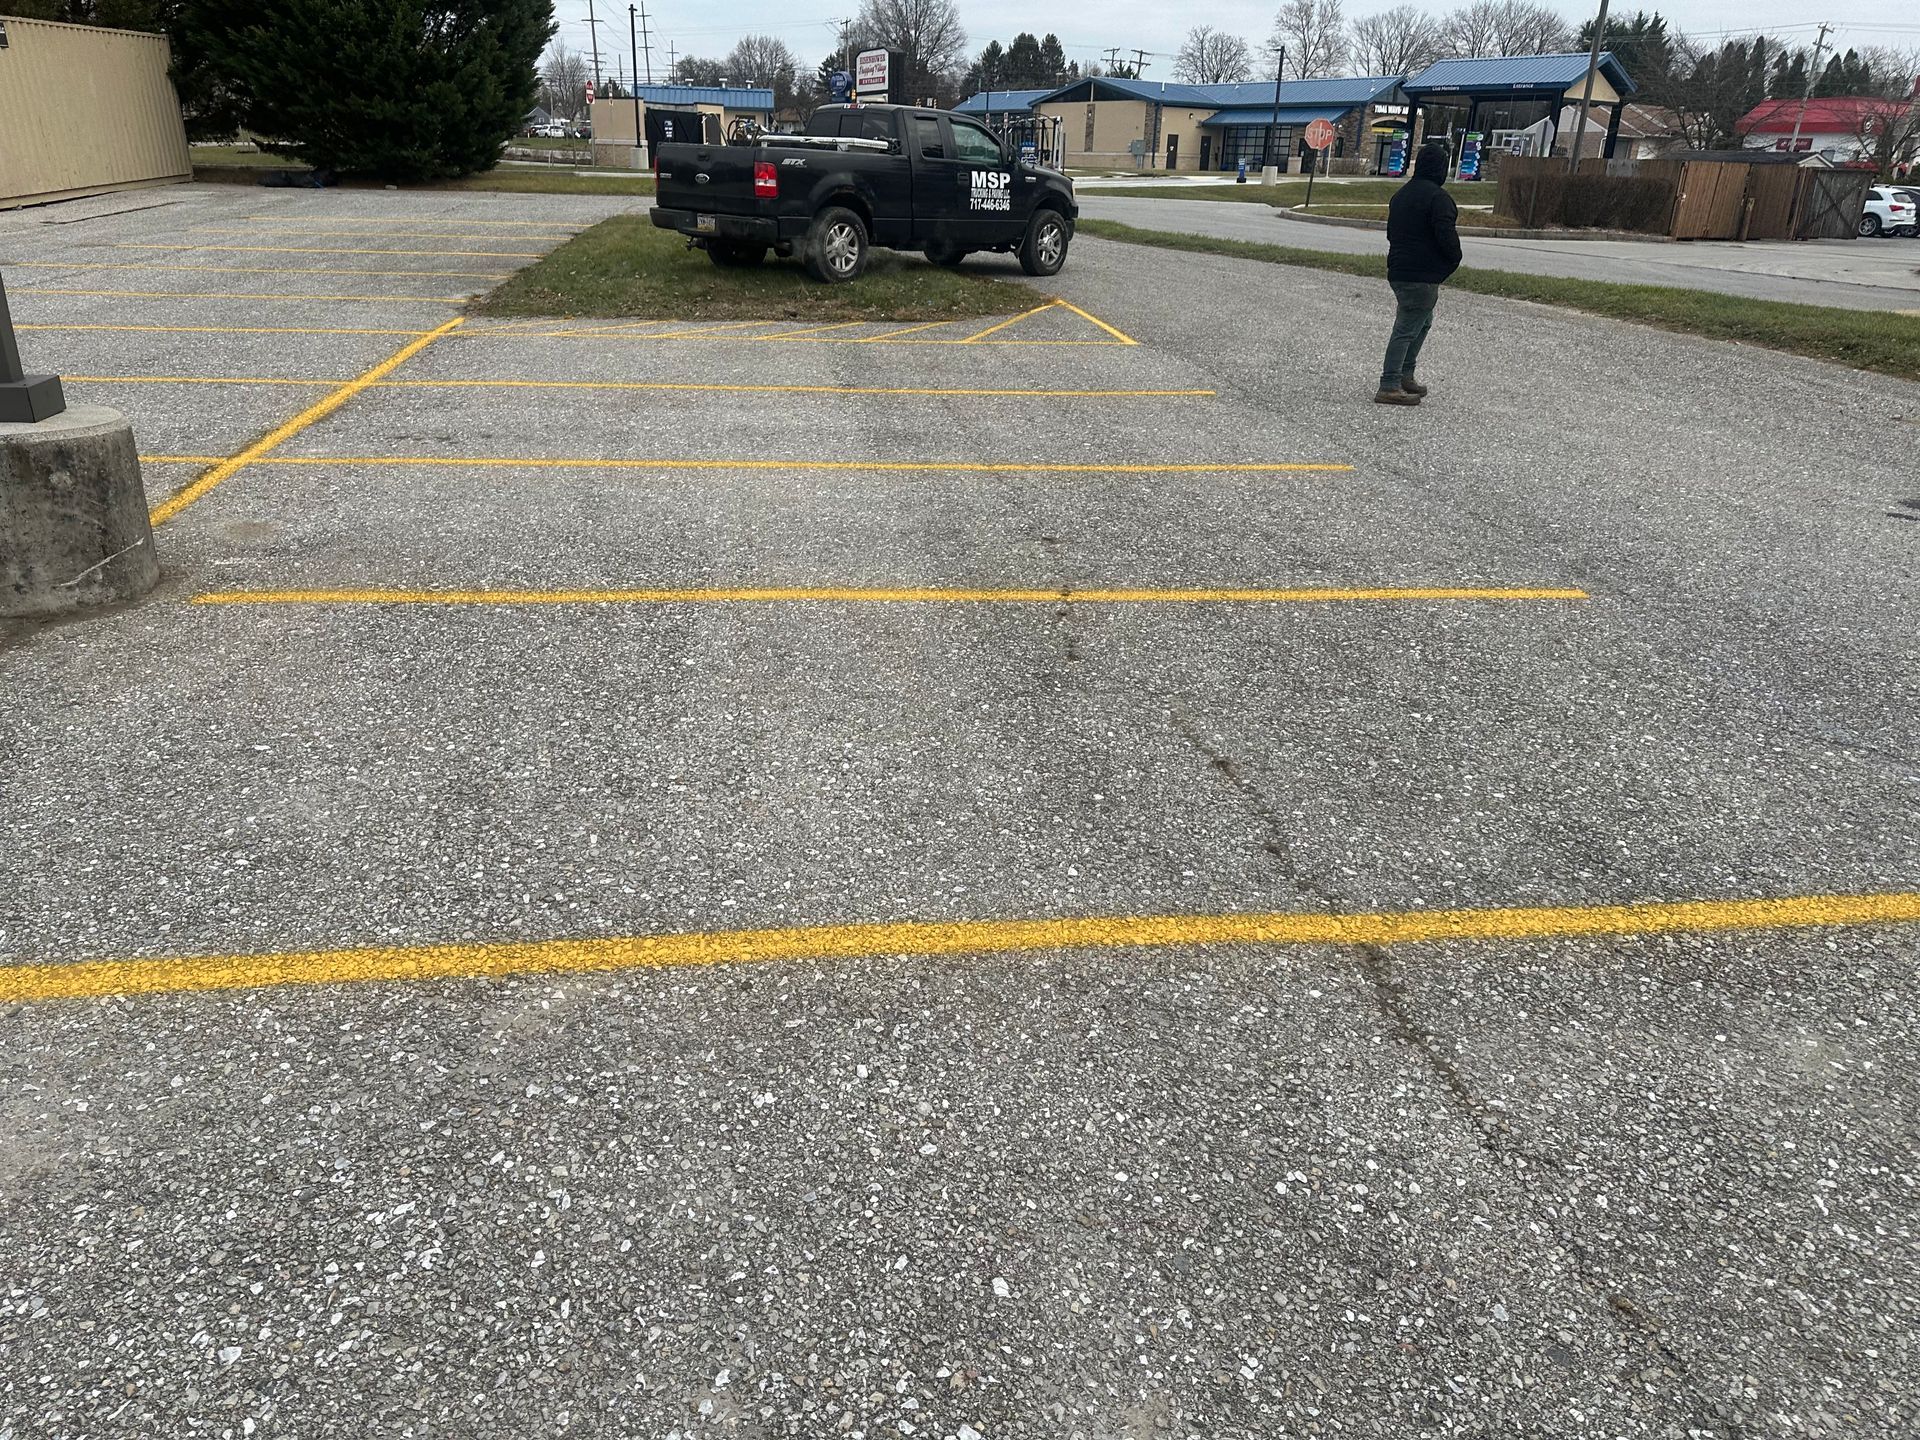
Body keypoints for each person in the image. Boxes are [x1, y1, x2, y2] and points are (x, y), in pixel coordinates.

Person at [1377, 142, 1463, 406]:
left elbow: (1392, 233)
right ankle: (1389, 383)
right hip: (1422, 275)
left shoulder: (1401, 195)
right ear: (1441, 167)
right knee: (1406, 327)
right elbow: (1446, 237)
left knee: (1421, 323)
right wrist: (1452, 259)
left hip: (1400, 270)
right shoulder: (1439, 199)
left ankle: (1405, 374)